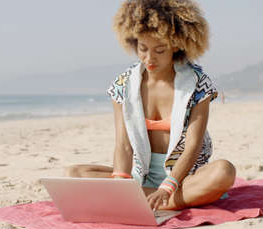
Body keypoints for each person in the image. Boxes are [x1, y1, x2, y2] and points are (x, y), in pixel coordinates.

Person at [65, 0, 236, 211]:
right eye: (143, 48)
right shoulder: (123, 85)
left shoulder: (198, 84)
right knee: (74, 174)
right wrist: (120, 182)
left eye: (160, 50)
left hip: (184, 178)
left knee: (224, 172)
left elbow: (193, 146)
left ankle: (153, 200)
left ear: (176, 45)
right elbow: (123, 145)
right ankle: (152, 201)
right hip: (140, 175)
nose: (149, 58)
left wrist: (167, 187)